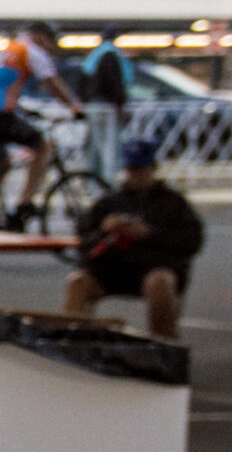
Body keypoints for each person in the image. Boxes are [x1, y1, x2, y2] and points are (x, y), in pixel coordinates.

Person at [65, 136, 202, 339]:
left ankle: (163, 344)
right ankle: (72, 341)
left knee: (160, 282)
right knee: (77, 282)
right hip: (112, 269)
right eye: (132, 170)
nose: (136, 176)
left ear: (153, 168)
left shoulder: (173, 203)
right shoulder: (109, 203)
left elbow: (191, 241)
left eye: (141, 170)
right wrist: (105, 230)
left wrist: (149, 234)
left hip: (153, 267)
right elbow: (83, 239)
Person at [0, 20, 80, 212]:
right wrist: (74, 107)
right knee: (42, 147)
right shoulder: (30, 51)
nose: (51, 47)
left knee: (2, 163)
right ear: (40, 36)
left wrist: (25, 111)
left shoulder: (6, 50)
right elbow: (53, 83)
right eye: (50, 40)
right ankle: (25, 202)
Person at [83, 27, 131, 178]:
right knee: (109, 146)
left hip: (93, 105)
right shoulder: (111, 55)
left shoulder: (94, 56)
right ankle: (108, 180)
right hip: (105, 106)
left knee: (95, 146)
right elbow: (114, 83)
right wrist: (120, 105)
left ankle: (94, 180)